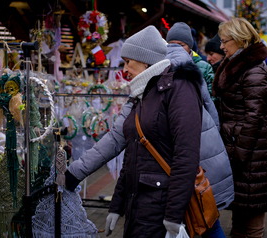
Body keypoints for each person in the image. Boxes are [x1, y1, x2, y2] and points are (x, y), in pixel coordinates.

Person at [67, 25, 203, 237]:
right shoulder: (142, 92)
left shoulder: (178, 88)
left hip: (160, 207)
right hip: (138, 205)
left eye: (128, 62)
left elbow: (186, 155)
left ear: (145, 60)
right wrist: (116, 205)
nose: (125, 68)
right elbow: (132, 154)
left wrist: (173, 215)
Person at [166, 43, 234, 238]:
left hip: (190, 161)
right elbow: (211, 109)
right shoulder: (192, 72)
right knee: (207, 216)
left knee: (200, 218)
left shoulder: (167, 77)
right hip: (207, 156)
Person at [212, 18, 267, 238]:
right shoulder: (238, 65)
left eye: (225, 41)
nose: (221, 46)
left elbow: (255, 118)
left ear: (240, 40)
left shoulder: (253, 71)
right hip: (239, 151)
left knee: (253, 216)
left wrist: (239, 153)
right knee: (240, 214)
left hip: (247, 154)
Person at [167, 22, 215, 99]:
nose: (176, 48)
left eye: (181, 45)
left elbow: (212, 95)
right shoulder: (161, 65)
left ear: (190, 46)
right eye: (172, 44)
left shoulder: (204, 67)